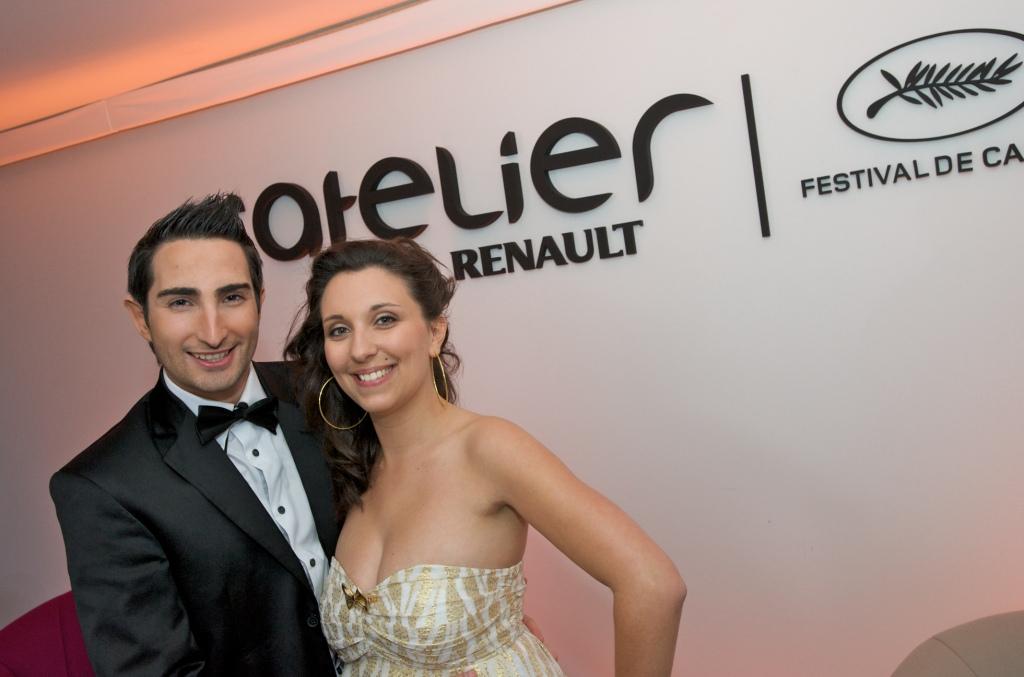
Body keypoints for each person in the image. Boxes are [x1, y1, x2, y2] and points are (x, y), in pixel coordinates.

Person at [284, 238, 687, 676]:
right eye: (339, 330)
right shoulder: (351, 466)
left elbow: (653, 585)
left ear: (434, 332)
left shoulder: (488, 449)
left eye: (385, 319)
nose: (361, 349)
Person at [50, 194, 340, 676]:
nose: (213, 331)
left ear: (259, 299)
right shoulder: (101, 486)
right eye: (181, 302)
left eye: (232, 297)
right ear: (140, 317)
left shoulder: (325, 391)